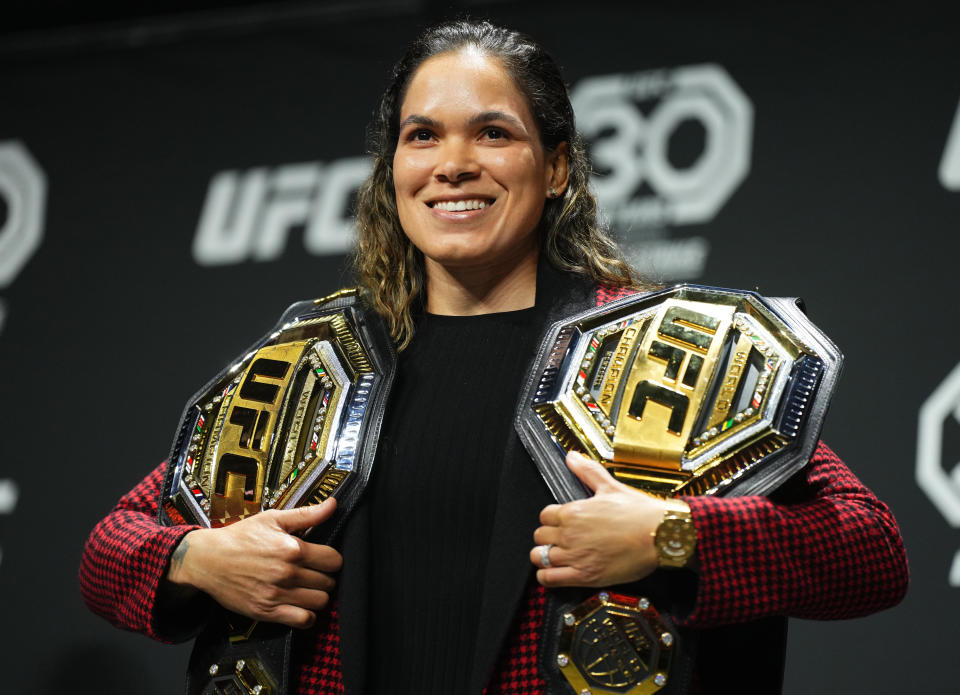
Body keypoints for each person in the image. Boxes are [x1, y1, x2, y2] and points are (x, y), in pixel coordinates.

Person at [80, 19, 908, 694]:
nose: (453, 164)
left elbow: (871, 551)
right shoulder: (314, 367)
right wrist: (196, 556)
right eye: (422, 135)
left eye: (493, 132)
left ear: (555, 169)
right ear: (392, 169)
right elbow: (109, 546)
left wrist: (674, 534)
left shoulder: (657, 352)